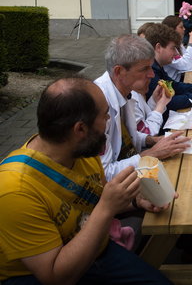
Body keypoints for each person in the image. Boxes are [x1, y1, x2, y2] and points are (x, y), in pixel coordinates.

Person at [0, 77, 173, 284]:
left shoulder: (83, 151)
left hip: (93, 247)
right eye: (105, 116)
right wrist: (107, 208)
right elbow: (56, 277)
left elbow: (95, 202)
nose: (109, 121)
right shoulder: (14, 190)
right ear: (80, 129)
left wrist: (136, 201)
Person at [95, 34, 190, 181]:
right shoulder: (98, 106)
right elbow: (104, 174)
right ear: (119, 71)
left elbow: (127, 136)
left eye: (151, 68)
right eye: (145, 69)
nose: (152, 75)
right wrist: (153, 153)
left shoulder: (125, 91)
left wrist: (151, 141)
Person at [144, 23, 192, 109]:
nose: (176, 53)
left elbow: (174, 85)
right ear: (158, 47)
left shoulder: (156, 66)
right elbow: (169, 102)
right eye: (173, 48)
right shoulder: (150, 71)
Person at [162, 15, 192, 81]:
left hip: (179, 78)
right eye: (181, 27)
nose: (184, 29)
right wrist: (191, 44)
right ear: (172, 29)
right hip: (174, 82)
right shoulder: (167, 47)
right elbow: (185, 65)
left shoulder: (177, 43)